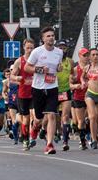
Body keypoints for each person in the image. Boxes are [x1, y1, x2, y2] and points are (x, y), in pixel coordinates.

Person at [25, 27, 65, 155]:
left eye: (52, 35)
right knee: (38, 119)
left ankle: (49, 144)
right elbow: (27, 67)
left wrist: (59, 68)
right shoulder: (37, 52)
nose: (51, 38)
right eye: (48, 36)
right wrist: (40, 70)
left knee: (52, 115)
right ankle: (35, 129)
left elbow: (58, 67)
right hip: (38, 88)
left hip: (52, 87)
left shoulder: (59, 52)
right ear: (43, 39)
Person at [11, 39, 36, 150]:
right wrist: (17, 77)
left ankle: (33, 137)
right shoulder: (19, 61)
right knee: (25, 120)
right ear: (24, 48)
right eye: (28, 48)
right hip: (23, 94)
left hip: (36, 92)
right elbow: (11, 76)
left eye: (32, 48)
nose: (30, 50)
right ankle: (25, 139)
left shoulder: (38, 60)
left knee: (36, 117)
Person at [83, 48, 98, 150]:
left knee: (97, 119)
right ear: (89, 57)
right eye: (93, 55)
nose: (95, 57)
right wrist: (84, 82)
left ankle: (94, 134)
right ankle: (93, 140)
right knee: (92, 117)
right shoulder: (87, 67)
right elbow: (82, 77)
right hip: (90, 94)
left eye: (97, 54)